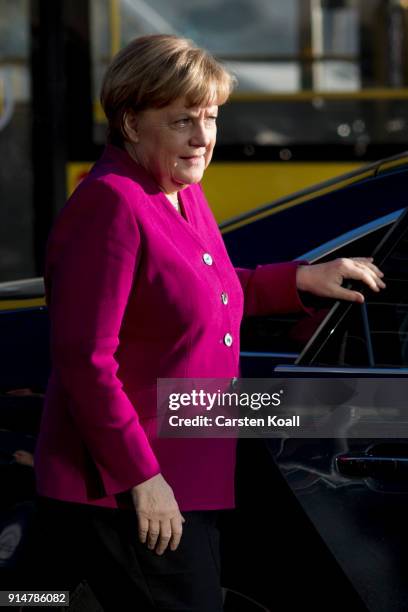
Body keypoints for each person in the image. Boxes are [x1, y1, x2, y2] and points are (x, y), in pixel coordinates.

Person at [32, 34, 385, 611]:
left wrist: (299, 279)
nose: (203, 138)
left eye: (211, 118)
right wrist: (141, 482)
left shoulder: (179, 192)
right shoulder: (111, 203)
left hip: (191, 469)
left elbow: (202, 289)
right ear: (129, 121)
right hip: (131, 490)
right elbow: (85, 360)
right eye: (182, 122)